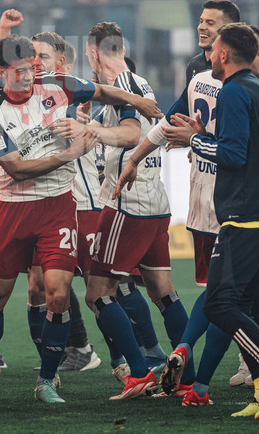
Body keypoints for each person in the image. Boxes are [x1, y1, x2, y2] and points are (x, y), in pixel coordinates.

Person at [0, 35, 162, 404]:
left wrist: (137, 101)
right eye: (19, 71)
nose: (28, 76)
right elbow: (15, 168)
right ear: (2, 71)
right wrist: (69, 154)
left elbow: (101, 91)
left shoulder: (56, 84)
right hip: (12, 208)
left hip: (57, 207)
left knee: (59, 296)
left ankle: (47, 381)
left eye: (31, 68)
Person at [152, 23, 259, 418]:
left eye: (213, 48)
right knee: (240, 305)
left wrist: (193, 140)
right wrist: (205, 136)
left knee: (218, 303)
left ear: (223, 54)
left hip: (247, 214)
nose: (209, 55)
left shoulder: (234, 90)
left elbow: (233, 155)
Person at [74, 22, 188, 401]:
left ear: (93, 53)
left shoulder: (124, 86)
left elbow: (130, 134)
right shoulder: (137, 85)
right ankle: (186, 377)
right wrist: (88, 125)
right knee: (161, 291)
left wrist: (95, 133)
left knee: (97, 294)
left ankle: (139, 374)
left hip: (127, 205)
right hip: (154, 203)